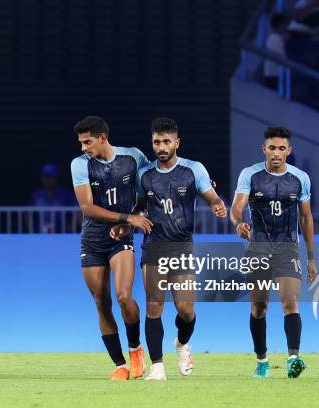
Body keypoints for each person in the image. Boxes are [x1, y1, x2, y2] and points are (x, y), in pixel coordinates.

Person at [111, 117, 226, 380]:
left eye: (166, 141)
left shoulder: (193, 170)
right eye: (156, 142)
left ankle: (182, 344)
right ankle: (158, 367)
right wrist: (127, 225)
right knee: (154, 308)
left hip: (182, 247)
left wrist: (217, 204)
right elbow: (140, 208)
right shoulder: (145, 174)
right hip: (153, 247)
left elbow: (209, 194)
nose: (161, 147)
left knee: (186, 310)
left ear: (177, 142)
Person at [230, 126, 318, 379]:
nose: (276, 153)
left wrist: (311, 257)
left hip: (288, 247)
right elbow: (237, 208)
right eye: (272, 148)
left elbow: (306, 217)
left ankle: (293, 359)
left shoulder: (300, 178)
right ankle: (262, 360)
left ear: (289, 151)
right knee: (259, 307)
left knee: (290, 302)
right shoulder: (250, 175)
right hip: (258, 248)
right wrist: (238, 223)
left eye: (281, 148)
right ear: (264, 149)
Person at [70, 115, 151, 381]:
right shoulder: (80, 164)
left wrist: (129, 222)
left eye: (88, 142)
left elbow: (149, 190)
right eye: (81, 143)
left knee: (124, 297)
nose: (84, 148)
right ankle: (120, 365)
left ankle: (136, 349)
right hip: (92, 239)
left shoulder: (133, 157)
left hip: (120, 239)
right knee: (101, 302)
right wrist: (126, 218)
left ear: (103, 137)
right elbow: (87, 208)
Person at [28, 164, 77, 233]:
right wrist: (33, 230)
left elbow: (77, 212)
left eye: (51, 177)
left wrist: (69, 229)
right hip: (40, 234)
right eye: (45, 177)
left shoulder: (66, 195)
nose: (48, 180)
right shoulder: (36, 196)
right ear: (42, 178)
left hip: (61, 234)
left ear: (56, 178)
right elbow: (27, 213)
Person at [264, 13, 291, 89]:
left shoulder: (277, 38)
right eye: (286, 25)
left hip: (274, 74)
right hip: (274, 76)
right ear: (280, 26)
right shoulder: (275, 39)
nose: (287, 27)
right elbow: (281, 58)